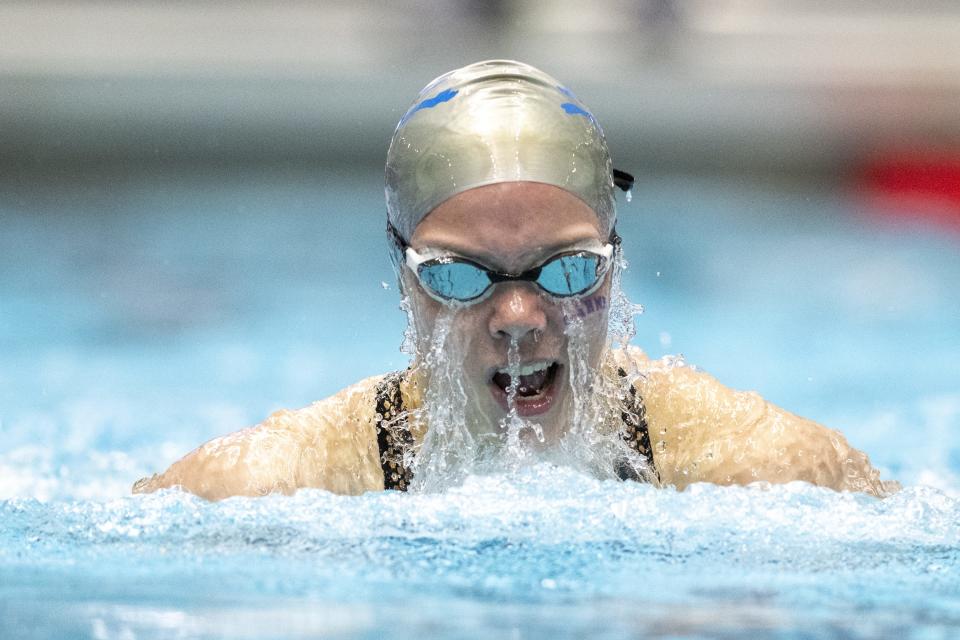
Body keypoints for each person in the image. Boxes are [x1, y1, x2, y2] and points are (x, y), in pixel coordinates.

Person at [133, 60, 896, 500]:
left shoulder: (759, 469)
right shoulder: (280, 481)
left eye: (568, 269)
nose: (521, 314)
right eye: (461, 277)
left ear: (615, 259)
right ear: (405, 279)